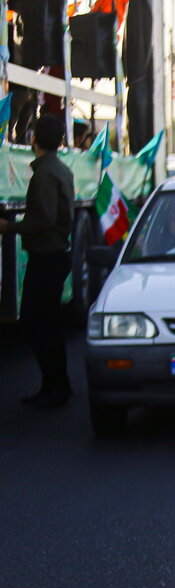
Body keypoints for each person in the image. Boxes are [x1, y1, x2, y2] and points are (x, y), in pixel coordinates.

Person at [0, 115, 76, 408]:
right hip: (55, 257)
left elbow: (43, 218)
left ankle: (55, 386)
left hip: (46, 258)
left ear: (33, 139)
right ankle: (57, 384)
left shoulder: (44, 174)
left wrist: (11, 228)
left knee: (38, 323)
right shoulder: (61, 170)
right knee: (47, 323)